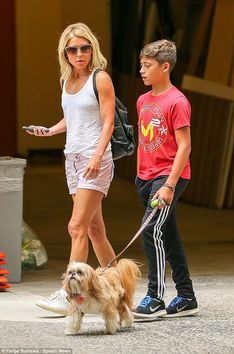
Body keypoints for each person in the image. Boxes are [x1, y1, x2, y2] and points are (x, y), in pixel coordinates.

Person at [25, 22, 116, 315]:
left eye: (85, 47)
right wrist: (50, 131)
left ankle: (68, 295)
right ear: (65, 52)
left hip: (94, 160)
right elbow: (73, 118)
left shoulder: (100, 79)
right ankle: (119, 288)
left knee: (76, 226)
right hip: (73, 159)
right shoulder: (67, 81)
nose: (80, 54)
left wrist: (97, 156)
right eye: (73, 49)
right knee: (94, 230)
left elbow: (108, 123)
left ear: (93, 48)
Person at [132, 39, 198, 319]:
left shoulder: (178, 102)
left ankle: (155, 296)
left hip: (169, 176)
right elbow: (144, 141)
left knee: (150, 230)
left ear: (165, 67)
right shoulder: (142, 100)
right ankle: (186, 296)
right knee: (167, 234)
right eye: (141, 65)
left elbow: (185, 146)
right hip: (145, 177)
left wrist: (169, 184)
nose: (142, 71)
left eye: (147, 66)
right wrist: (139, 177)